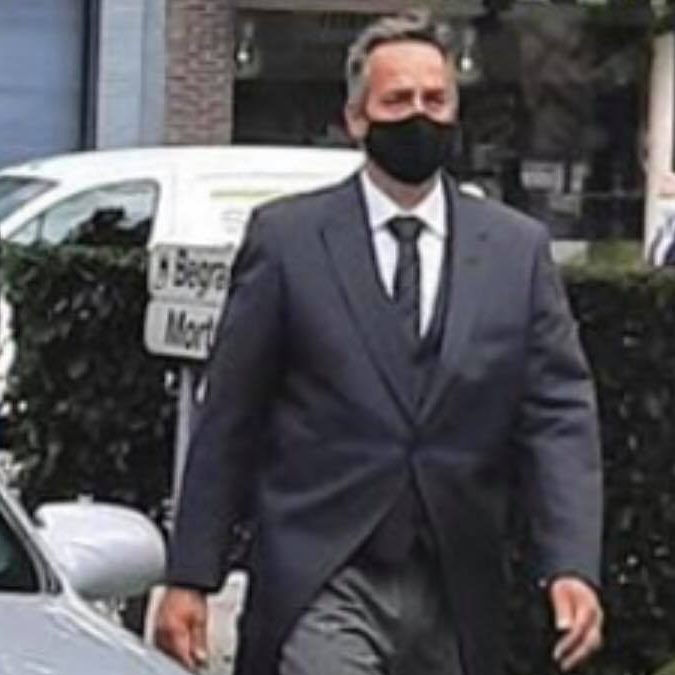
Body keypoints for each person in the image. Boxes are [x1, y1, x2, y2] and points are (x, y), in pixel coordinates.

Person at [154, 12, 603, 675]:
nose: (419, 114)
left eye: (435, 100)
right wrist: (191, 573)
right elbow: (231, 414)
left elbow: (557, 416)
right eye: (398, 100)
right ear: (356, 117)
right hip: (321, 575)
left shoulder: (515, 251)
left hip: (457, 581)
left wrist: (570, 563)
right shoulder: (289, 242)